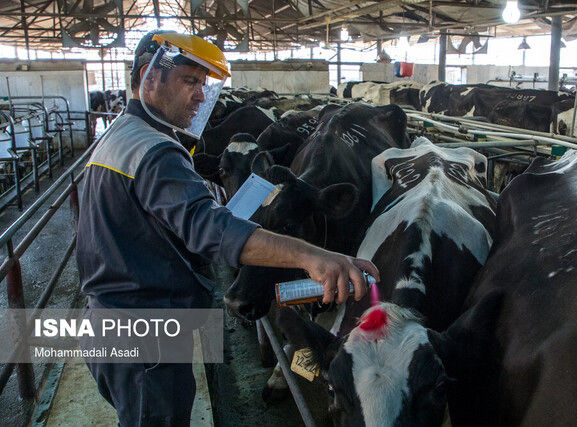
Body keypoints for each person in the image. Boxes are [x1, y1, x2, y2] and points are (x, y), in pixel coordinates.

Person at [76, 30, 379, 426]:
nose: (201, 96)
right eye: (190, 81)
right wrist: (312, 255)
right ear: (150, 77)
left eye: (204, 84)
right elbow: (208, 228)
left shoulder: (120, 136)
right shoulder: (156, 150)